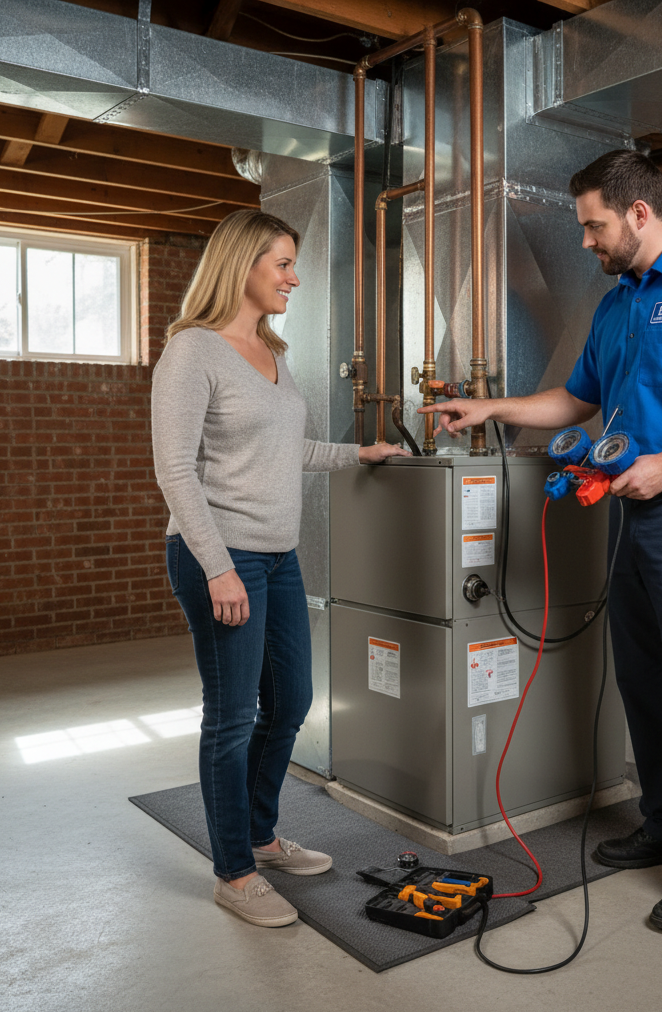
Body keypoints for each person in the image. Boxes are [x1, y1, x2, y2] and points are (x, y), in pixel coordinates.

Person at [419, 150, 662, 934]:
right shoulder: (616, 306)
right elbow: (576, 399)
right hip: (630, 514)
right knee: (644, 685)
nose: (586, 241)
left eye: (594, 226)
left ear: (639, 214)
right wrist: (491, 409)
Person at [152, 209, 407, 928]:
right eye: (284, 264)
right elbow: (175, 470)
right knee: (232, 717)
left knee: (291, 701)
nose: (294, 278)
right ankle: (233, 872)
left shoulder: (270, 350)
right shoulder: (192, 352)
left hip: (277, 556)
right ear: (243, 265)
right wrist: (217, 569)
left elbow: (286, 450)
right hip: (218, 554)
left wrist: (360, 453)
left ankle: (261, 837)